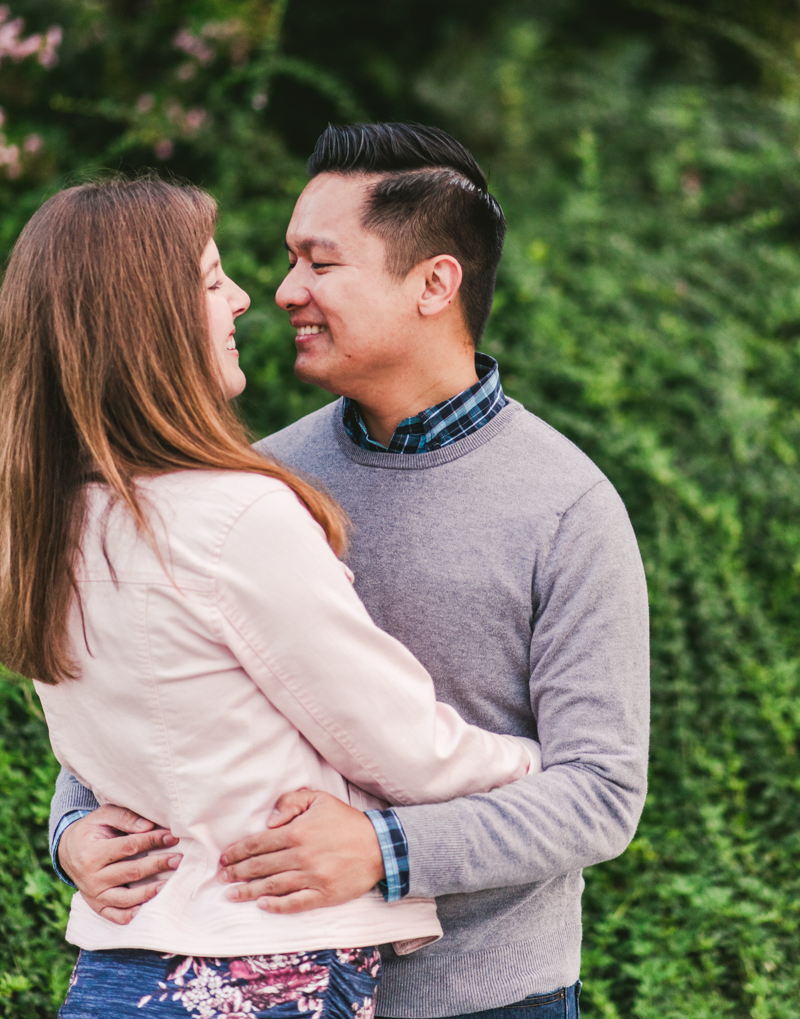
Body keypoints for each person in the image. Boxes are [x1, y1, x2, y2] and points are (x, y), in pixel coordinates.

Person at [51, 126, 650, 1019]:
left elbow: (600, 795)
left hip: (484, 997)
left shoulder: (567, 506)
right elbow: (162, 693)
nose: (283, 291)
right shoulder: (255, 485)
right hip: (262, 976)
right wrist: (71, 831)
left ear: (433, 284)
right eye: (288, 260)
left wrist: (386, 848)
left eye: (319, 263)